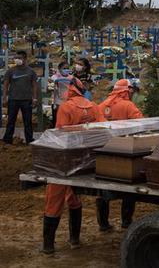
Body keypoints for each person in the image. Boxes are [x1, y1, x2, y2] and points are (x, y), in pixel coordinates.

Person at [42, 83, 103, 254]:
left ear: (69, 91)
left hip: (65, 160)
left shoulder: (66, 107)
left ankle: (48, 245)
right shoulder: (94, 107)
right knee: (74, 198)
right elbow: (102, 131)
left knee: (54, 199)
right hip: (85, 160)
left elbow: (62, 134)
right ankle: (74, 240)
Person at [95, 79, 141, 231]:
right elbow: (141, 125)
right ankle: (126, 222)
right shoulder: (128, 105)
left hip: (104, 152)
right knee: (128, 189)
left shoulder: (101, 105)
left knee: (102, 188)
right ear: (126, 91)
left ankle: (103, 224)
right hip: (125, 152)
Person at [2, 50, 38, 145]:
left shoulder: (31, 72)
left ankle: (29, 139)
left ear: (25, 59)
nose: (17, 60)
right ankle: (7, 139)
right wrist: (4, 97)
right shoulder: (10, 71)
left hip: (26, 100)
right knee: (11, 121)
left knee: (28, 122)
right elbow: (5, 85)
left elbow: (34, 86)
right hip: (13, 99)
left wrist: (34, 98)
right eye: (16, 58)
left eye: (19, 58)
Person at [50, 62, 75, 129]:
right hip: (57, 100)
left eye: (67, 68)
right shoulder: (54, 77)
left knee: (67, 118)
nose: (66, 70)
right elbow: (50, 86)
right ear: (59, 69)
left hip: (68, 100)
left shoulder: (71, 78)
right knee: (57, 117)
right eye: (64, 68)